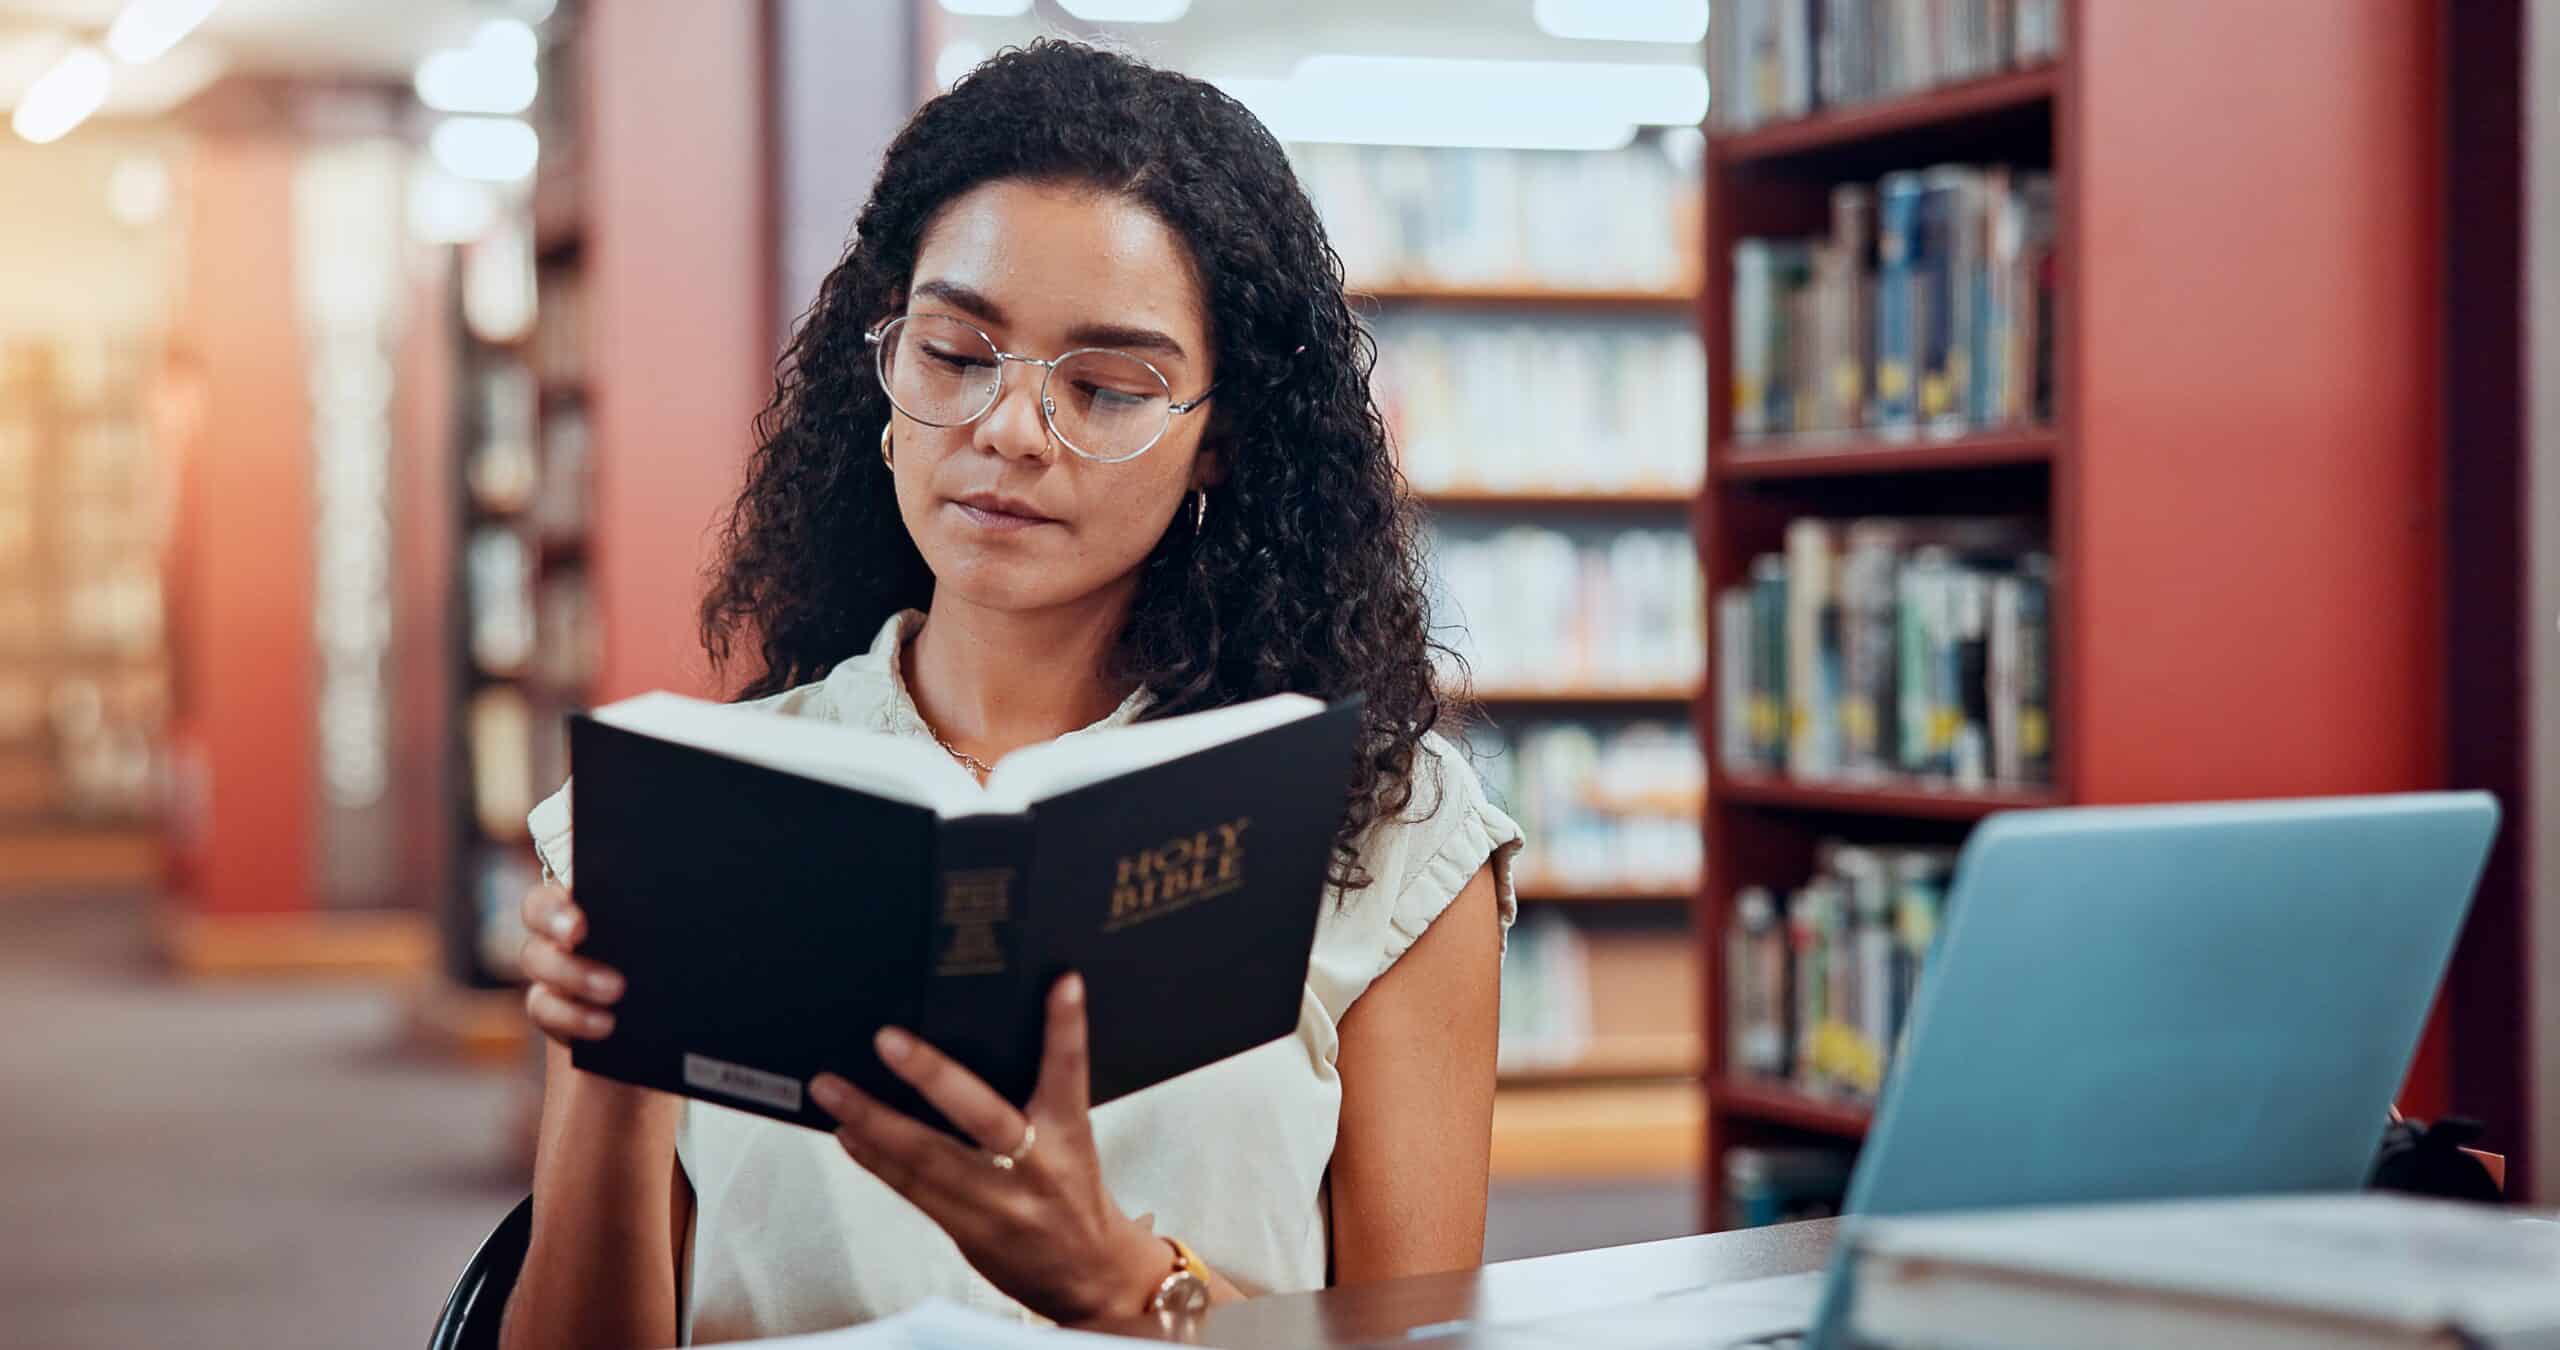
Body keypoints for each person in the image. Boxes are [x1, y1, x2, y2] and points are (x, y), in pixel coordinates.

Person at [497, 39, 1522, 1349]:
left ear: (1219, 437)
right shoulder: (678, 813)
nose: (1009, 430)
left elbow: (1418, 1341)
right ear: (884, 375)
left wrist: (1121, 1281)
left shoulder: (1386, 826)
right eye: (956, 352)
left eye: (1105, 387)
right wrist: (620, 1080)